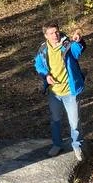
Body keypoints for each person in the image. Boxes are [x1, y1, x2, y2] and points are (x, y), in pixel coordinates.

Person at [34, 22, 86, 160]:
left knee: (74, 121)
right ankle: (57, 144)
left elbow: (78, 50)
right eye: (51, 33)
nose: (55, 35)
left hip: (70, 90)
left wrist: (78, 39)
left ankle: (77, 146)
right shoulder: (43, 49)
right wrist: (46, 75)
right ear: (46, 35)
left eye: (56, 32)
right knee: (55, 120)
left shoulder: (67, 44)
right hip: (54, 93)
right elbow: (38, 64)